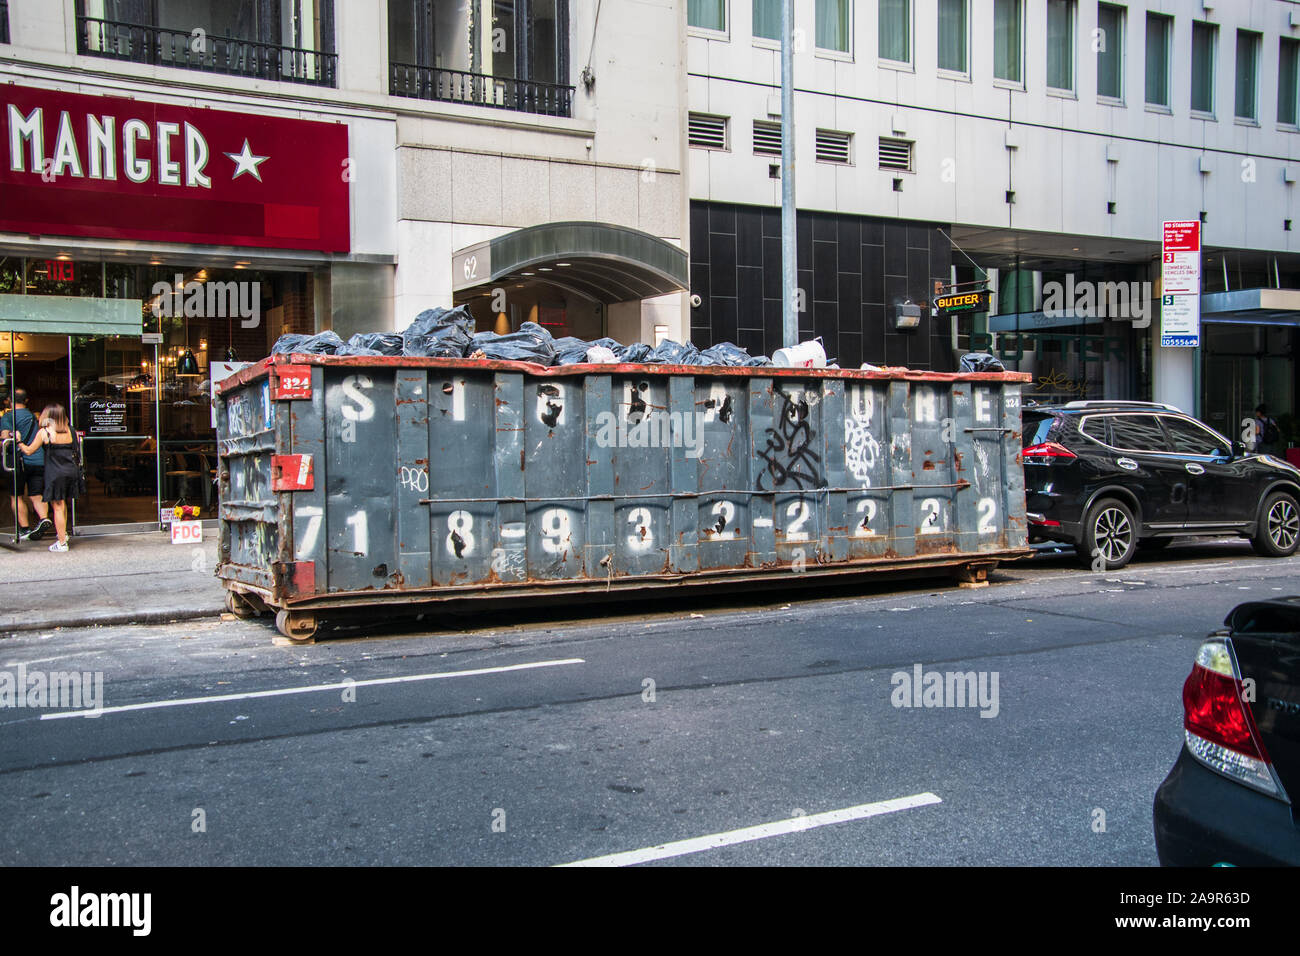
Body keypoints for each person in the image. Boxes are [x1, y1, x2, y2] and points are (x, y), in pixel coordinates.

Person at [18, 404, 82, 553]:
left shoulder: (45, 432)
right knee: (63, 503)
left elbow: (29, 451)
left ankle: (61, 543)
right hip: (71, 471)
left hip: (55, 473)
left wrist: (19, 441)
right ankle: (63, 535)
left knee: (57, 506)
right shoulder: (71, 431)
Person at [0, 388, 52, 541]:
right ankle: (43, 518)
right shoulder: (35, 416)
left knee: (16, 496)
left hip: (18, 461)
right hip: (38, 459)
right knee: (36, 495)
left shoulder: (8, 416)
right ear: (26, 400)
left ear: (9, 400)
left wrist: (9, 435)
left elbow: (5, 438)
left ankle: (24, 529)